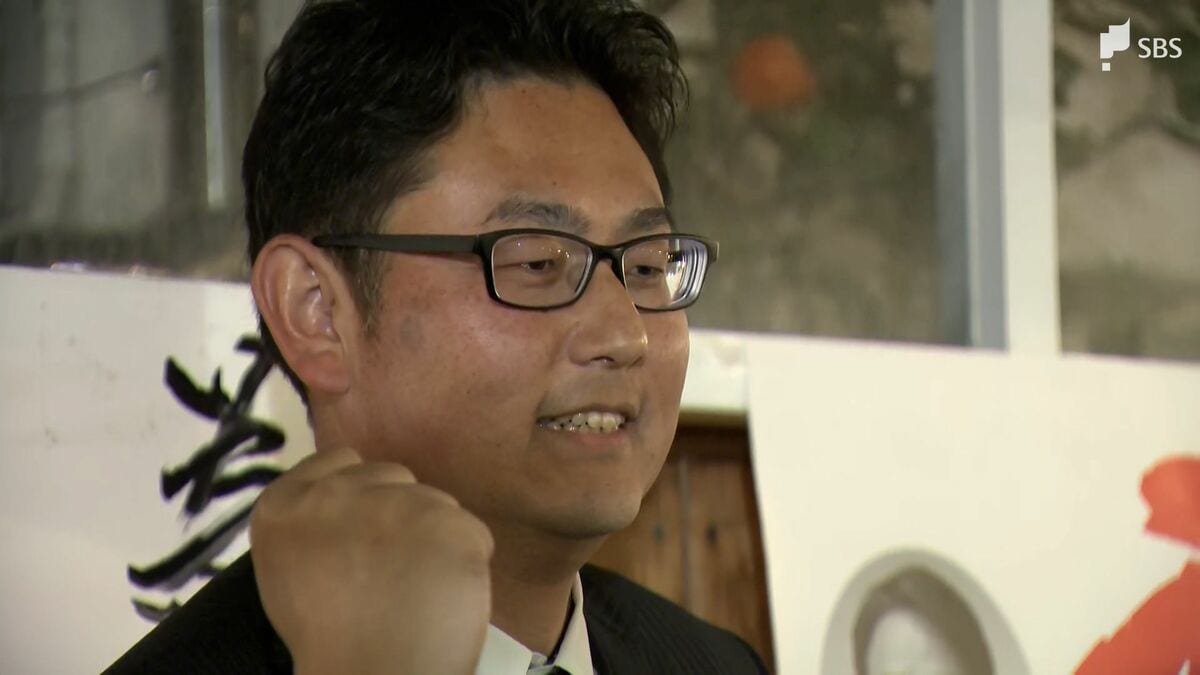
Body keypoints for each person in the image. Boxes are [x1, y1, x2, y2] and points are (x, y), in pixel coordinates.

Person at [108, 0, 767, 673]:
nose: (625, 335)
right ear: (315, 310)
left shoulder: (715, 665)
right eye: (537, 262)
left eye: (648, 266)